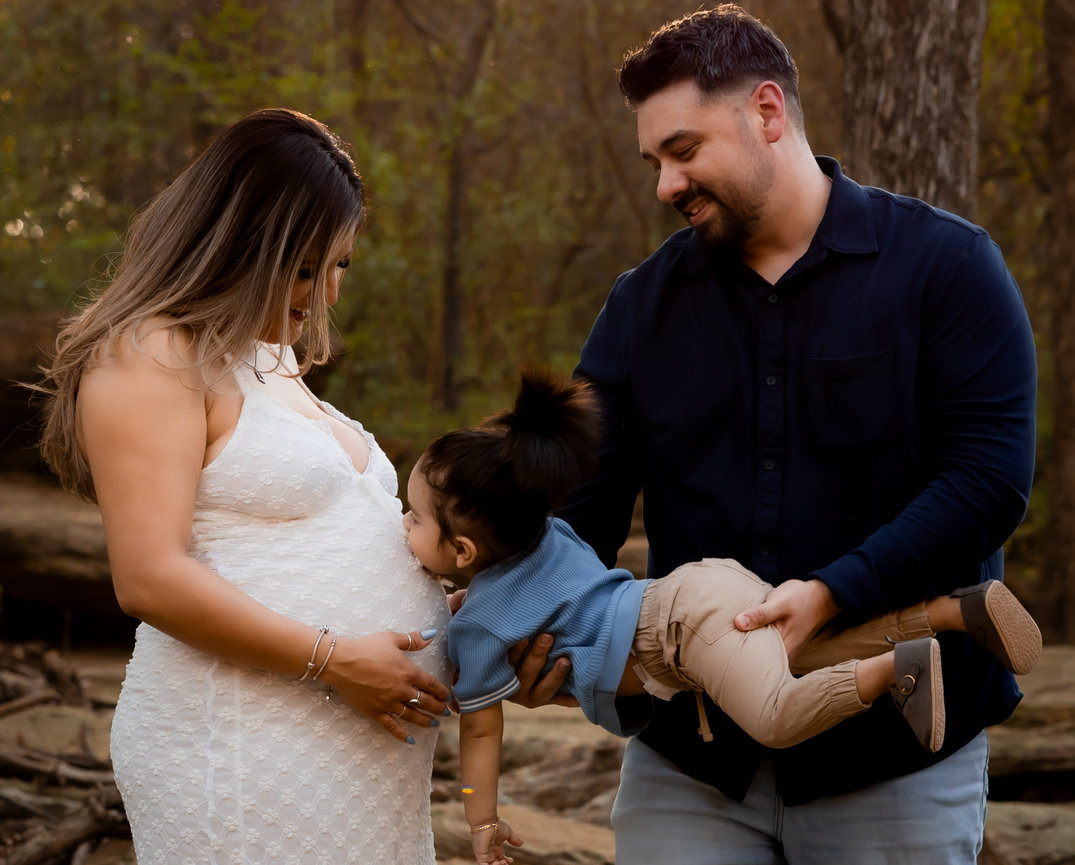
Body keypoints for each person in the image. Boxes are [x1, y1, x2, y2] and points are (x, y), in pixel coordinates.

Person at [555, 5, 1039, 864]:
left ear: (766, 113)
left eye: (683, 149)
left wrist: (834, 592)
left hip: (896, 764)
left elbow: (986, 482)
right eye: (655, 160)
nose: (665, 184)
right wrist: (534, 618)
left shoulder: (947, 268)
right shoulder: (640, 306)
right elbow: (578, 507)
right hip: (693, 768)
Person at [34, 108, 456, 864]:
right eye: (303, 267)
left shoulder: (272, 362)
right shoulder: (152, 352)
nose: (324, 293)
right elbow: (149, 576)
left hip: (358, 762)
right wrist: (335, 658)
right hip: (238, 738)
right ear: (239, 242)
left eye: (339, 266)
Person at [401, 370, 1041, 865]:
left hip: (678, 638)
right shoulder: (548, 535)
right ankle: (952, 612)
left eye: (414, 517)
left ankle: (894, 672)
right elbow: (528, 593)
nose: (403, 527)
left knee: (777, 716)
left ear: (462, 552)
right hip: (698, 591)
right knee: (811, 651)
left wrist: (478, 819)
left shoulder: (480, 628)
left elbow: (481, 734)